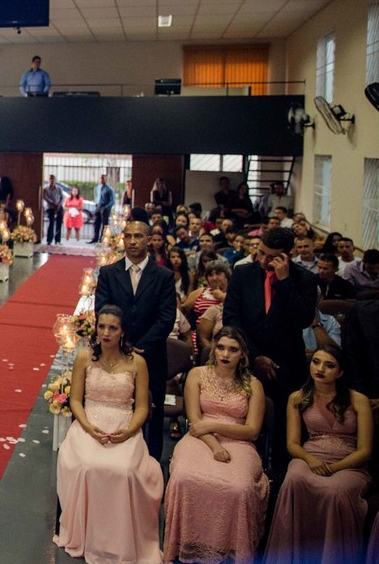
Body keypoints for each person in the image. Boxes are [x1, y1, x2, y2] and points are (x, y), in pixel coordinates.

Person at [54, 305, 163, 564]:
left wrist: (129, 432)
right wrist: (88, 427)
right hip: (89, 424)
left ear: (122, 331)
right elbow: (76, 401)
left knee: (125, 470)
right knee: (87, 466)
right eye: (102, 326)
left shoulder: (137, 363)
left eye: (112, 328)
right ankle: (87, 535)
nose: (106, 332)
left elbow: (142, 407)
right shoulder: (85, 357)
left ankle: (120, 539)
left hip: (124, 425)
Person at [163, 327, 267, 564]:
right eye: (221, 347)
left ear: (243, 354)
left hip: (239, 442)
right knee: (183, 477)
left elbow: (251, 431)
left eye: (233, 349)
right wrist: (215, 446)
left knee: (239, 487)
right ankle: (185, 544)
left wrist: (213, 428)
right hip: (200, 439)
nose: (225, 354)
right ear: (213, 349)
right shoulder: (197, 375)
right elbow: (195, 422)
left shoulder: (253, 384)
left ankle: (232, 549)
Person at [264, 342, 372, 564]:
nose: (320, 368)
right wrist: (311, 460)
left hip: (349, 463)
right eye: (316, 362)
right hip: (310, 456)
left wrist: (334, 468)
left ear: (340, 372)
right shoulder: (297, 397)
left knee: (335, 491)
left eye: (329, 365)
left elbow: (365, 451)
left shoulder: (358, 400)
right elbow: (292, 444)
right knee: (293, 480)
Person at [222, 226, 318, 472]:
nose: (263, 260)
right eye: (261, 252)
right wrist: (255, 356)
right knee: (245, 422)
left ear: (286, 255)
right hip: (247, 361)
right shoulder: (242, 274)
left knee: (282, 430)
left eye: (271, 256)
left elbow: (304, 319)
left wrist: (284, 282)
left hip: (287, 364)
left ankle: (278, 483)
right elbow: (232, 319)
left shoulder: (304, 279)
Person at [94, 220, 176, 460]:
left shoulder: (163, 276)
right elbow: (103, 310)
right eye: (128, 236)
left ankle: (150, 463)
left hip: (152, 354)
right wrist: (122, 344)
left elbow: (166, 317)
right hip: (115, 353)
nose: (132, 241)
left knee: (152, 409)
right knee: (120, 406)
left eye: (138, 236)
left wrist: (141, 345)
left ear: (149, 240)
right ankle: (116, 457)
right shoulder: (109, 272)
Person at [90, 174, 114, 244]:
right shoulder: (97, 188)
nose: (102, 180)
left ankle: (103, 238)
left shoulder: (109, 189)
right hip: (98, 206)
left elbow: (112, 200)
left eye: (103, 178)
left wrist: (106, 207)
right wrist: (96, 204)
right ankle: (95, 238)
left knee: (104, 224)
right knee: (96, 223)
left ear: (106, 179)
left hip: (105, 207)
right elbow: (97, 197)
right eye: (101, 178)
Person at [43, 175, 64, 246]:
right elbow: (45, 197)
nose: (52, 181)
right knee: (51, 223)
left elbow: (62, 198)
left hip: (59, 207)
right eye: (50, 179)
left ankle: (57, 240)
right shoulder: (45, 189)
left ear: (55, 180)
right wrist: (52, 203)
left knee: (59, 224)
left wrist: (59, 204)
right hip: (50, 208)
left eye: (53, 179)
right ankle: (49, 240)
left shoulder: (58, 189)